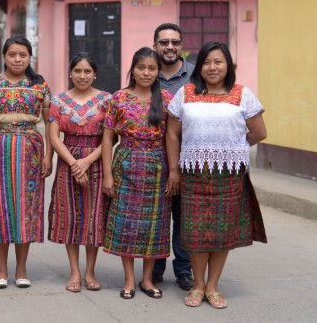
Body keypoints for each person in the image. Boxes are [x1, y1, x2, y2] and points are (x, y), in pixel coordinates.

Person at [166, 41, 267, 309]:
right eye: (207, 62)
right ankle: (198, 285)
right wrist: (174, 170)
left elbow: (259, 132)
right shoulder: (186, 93)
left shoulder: (242, 94)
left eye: (218, 62)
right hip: (192, 173)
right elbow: (173, 133)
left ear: (228, 65)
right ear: (199, 66)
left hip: (228, 174)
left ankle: (213, 286)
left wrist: (232, 148)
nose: (212, 67)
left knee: (222, 232)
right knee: (196, 231)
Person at [0, 35, 53, 289]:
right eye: (12, 54)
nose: (18, 59)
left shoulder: (39, 84)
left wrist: (48, 156)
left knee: (26, 210)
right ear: (4, 56)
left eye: (23, 55)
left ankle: (21, 269)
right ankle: (1, 270)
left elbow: (50, 123)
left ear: (29, 57)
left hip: (30, 150)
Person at [102, 47, 174, 300]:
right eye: (141, 67)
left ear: (158, 72)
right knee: (126, 223)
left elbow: (173, 138)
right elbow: (108, 138)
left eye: (151, 68)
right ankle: (130, 279)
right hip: (126, 164)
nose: (146, 72)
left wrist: (173, 172)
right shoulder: (118, 98)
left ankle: (147, 279)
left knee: (154, 225)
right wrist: (108, 175)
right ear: (132, 70)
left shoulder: (166, 98)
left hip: (158, 167)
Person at [47, 52, 111, 293]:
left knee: (94, 217)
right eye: (77, 71)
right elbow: (53, 137)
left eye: (87, 72)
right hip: (68, 162)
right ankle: (74, 271)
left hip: (96, 160)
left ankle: (90, 271)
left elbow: (110, 137)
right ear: (70, 73)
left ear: (94, 74)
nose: (82, 76)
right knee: (70, 217)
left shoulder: (106, 100)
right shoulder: (59, 100)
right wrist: (74, 163)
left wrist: (87, 161)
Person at [151, 23, 195, 291]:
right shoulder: (146, 71)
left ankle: (183, 269)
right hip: (153, 158)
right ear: (155, 45)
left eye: (174, 42)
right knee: (156, 214)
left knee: (182, 215)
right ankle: (154, 268)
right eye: (164, 42)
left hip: (186, 157)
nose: (169, 47)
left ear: (181, 45)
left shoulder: (195, 75)